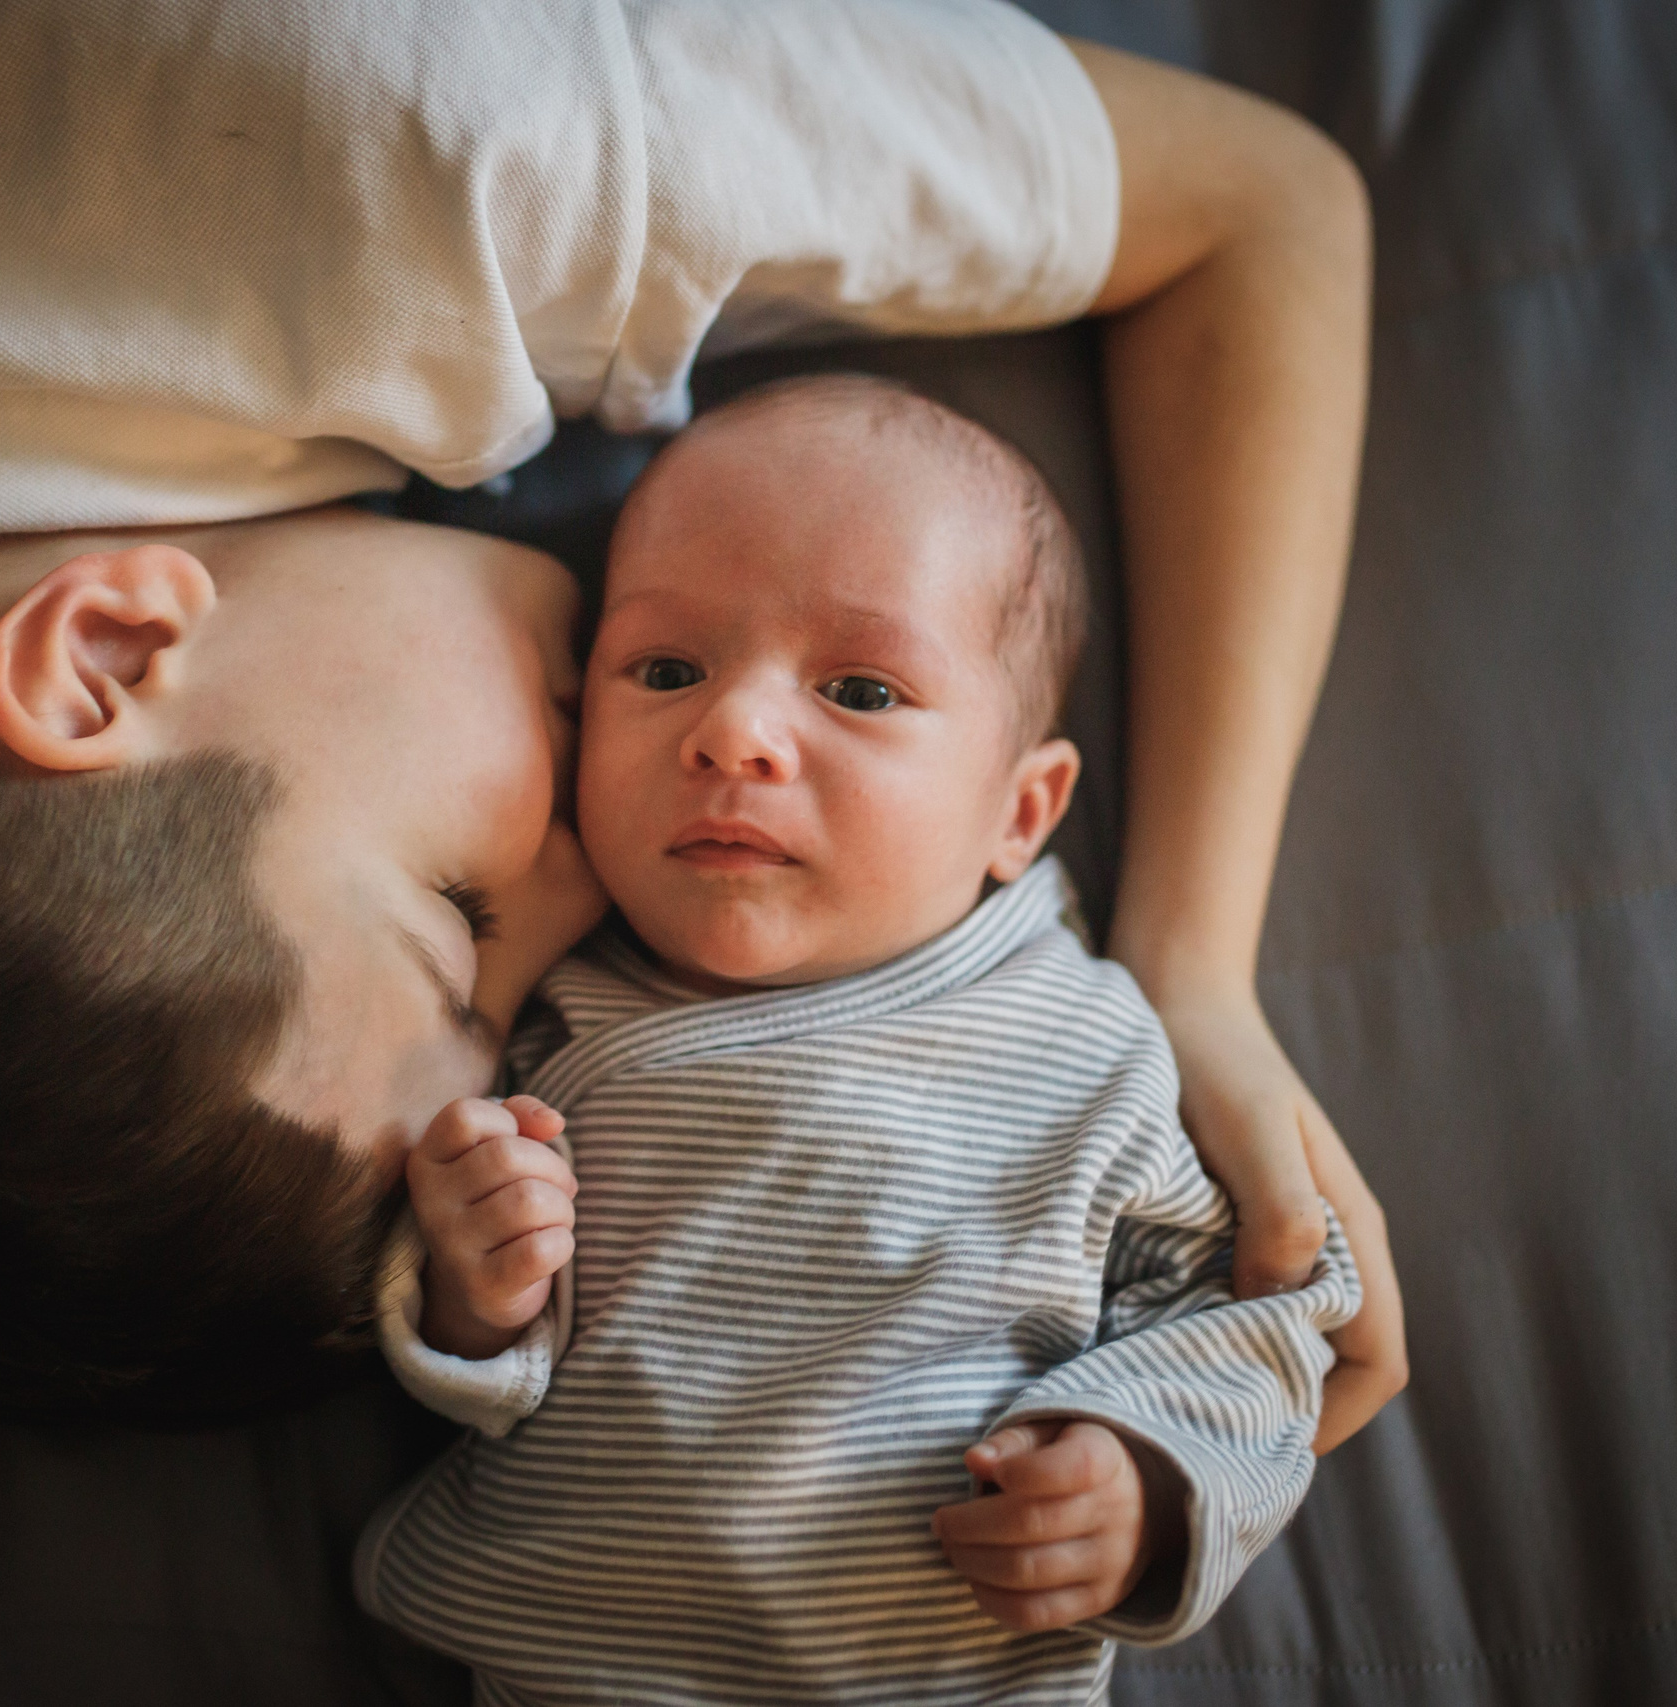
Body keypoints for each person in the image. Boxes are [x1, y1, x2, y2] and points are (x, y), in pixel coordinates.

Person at [0, 0, 1401, 1437]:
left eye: (456, 920)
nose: (596, 896)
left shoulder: (473, 171)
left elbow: (1270, 205)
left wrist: (1193, 975)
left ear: (110, 658)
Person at [356, 376, 1358, 1702]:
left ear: (1022, 809)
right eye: (665, 671)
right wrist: (475, 1303)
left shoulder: (1091, 1042)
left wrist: (1148, 1482)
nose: (733, 733)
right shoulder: (550, 1007)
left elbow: (1253, 1328)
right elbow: (491, 1385)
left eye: (862, 688)